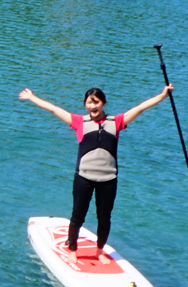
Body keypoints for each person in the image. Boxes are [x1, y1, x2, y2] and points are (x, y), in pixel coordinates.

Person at [18, 84, 172, 263]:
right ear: (85, 104)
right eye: (89, 103)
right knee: (78, 215)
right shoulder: (79, 122)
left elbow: (140, 108)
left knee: (104, 218)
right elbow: (54, 109)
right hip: (84, 178)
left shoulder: (116, 122)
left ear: (103, 103)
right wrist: (32, 97)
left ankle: (99, 251)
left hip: (108, 180)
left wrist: (162, 96)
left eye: (96, 102)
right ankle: (73, 250)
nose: (92, 106)